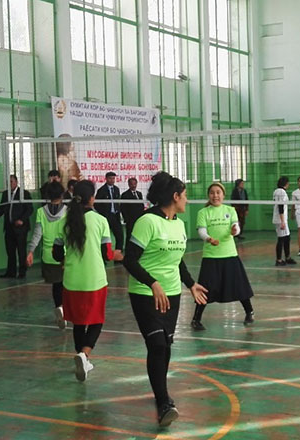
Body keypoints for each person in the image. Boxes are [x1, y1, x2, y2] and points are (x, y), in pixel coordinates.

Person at [122, 171, 208, 426]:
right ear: (175, 196)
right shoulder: (147, 221)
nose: (187, 200)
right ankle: (163, 402)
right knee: (157, 344)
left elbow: (177, 260)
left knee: (166, 345)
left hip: (172, 294)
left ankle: (161, 391)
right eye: (185, 195)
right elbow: (129, 260)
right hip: (145, 294)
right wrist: (153, 283)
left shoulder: (178, 224)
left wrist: (190, 284)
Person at [52, 180, 120, 381]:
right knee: (96, 320)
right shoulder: (100, 220)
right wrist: (118, 255)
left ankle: (82, 358)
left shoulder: (64, 221)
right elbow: (107, 254)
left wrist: (66, 259)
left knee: (78, 322)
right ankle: (84, 354)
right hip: (94, 279)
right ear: (92, 198)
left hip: (72, 280)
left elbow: (57, 253)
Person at [190, 182, 254, 330]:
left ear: (223, 195)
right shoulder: (203, 212)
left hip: (230, 254)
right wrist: (208, 239)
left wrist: (235, 230)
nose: (215, 195)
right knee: (205, 288)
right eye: (212, 193)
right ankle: (196, 319)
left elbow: (236, 227)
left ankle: (249, 312)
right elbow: (201, 231)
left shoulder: (230, 210)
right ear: (208, 195)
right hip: (211, 256)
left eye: (218, 192)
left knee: (239, 285)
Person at [27, 181, 68, 329]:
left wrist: (31, 251)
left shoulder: (41, 212)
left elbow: (37, 233)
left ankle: (60, 307)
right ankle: (67, 309)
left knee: (57, 285)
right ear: (62, 194)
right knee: (67, 284)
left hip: (48, 256)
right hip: (65, 254)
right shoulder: (67, 211)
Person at [0, 174, 32, 279]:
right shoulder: (5, 194)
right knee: (10, 251)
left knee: (21, 250)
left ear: (16, 182)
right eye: (8, 182)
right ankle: (11, 272)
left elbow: (29, 209)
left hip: (21, 228)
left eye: (11, 181)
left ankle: (22, 271)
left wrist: (22, 220)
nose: (10, 184)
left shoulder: (24, 193)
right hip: (9, 227)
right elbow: (2, 208)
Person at [95, 171, 125, 253]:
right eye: (110, 178)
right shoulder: (102, 190)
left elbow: (118, 202)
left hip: (115, 215)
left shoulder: (116, 189)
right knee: (105, 235)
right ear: (106, 179)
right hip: (106, 216)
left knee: (119, 234)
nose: (112, 180)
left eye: (113, 178)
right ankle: (104, 253)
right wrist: (103, 213)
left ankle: (118, 252)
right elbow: (96, 204)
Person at [272, 176, 295, 266]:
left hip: (281, 219)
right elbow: (280, 206)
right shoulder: (281, 192)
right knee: (281, 239)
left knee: (286, 238)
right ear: (286, 183)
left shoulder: (277, 191)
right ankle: (278, 260)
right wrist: (282, 221)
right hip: (280, 220)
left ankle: (287, 257)